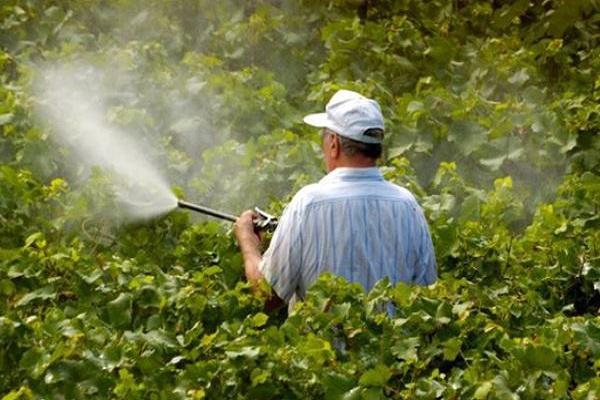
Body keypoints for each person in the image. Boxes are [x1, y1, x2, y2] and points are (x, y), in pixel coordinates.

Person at [234, 89, 437, 311]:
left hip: (322, 347)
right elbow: (426, 299)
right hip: (390, 346)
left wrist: (248, 242)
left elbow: (267, 296)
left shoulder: (308, 203)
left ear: (334, 143)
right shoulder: (408, 206)